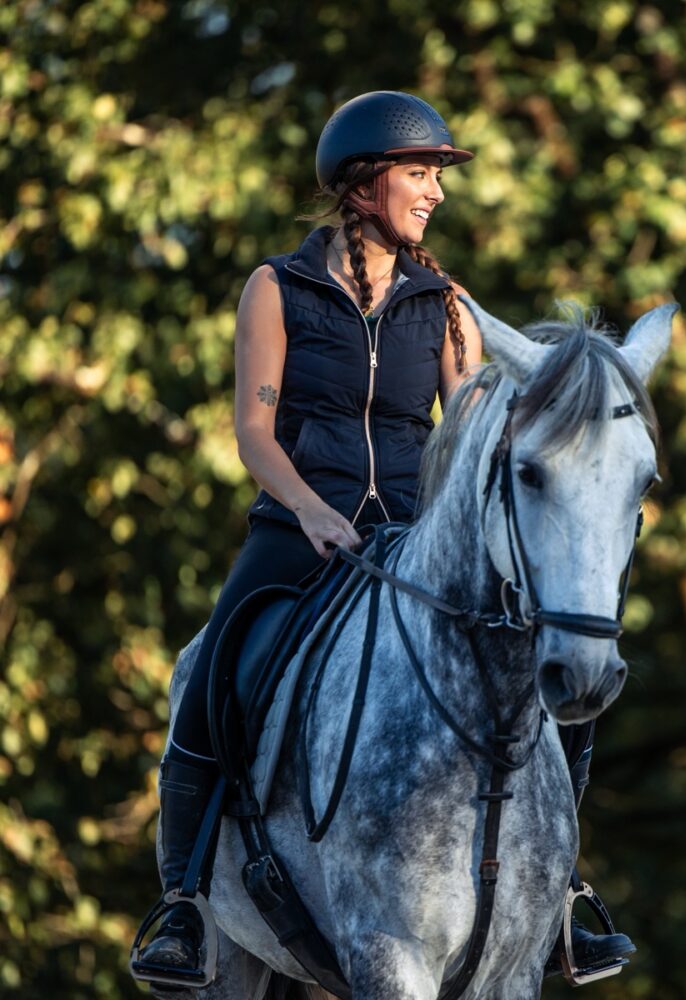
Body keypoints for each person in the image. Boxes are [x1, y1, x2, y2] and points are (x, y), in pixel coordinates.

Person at [132, 90, 633, 987]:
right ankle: (181, 904)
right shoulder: (276, 288)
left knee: (536, 665)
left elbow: (474, 426)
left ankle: (558, 893)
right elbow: (254, 433)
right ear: (364, 185)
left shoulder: (445, 304)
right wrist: (310, 510)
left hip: (411, 536)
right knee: (217, 667)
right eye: (420, 173)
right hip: (300, 527)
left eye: (438, 176)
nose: (436, 191)